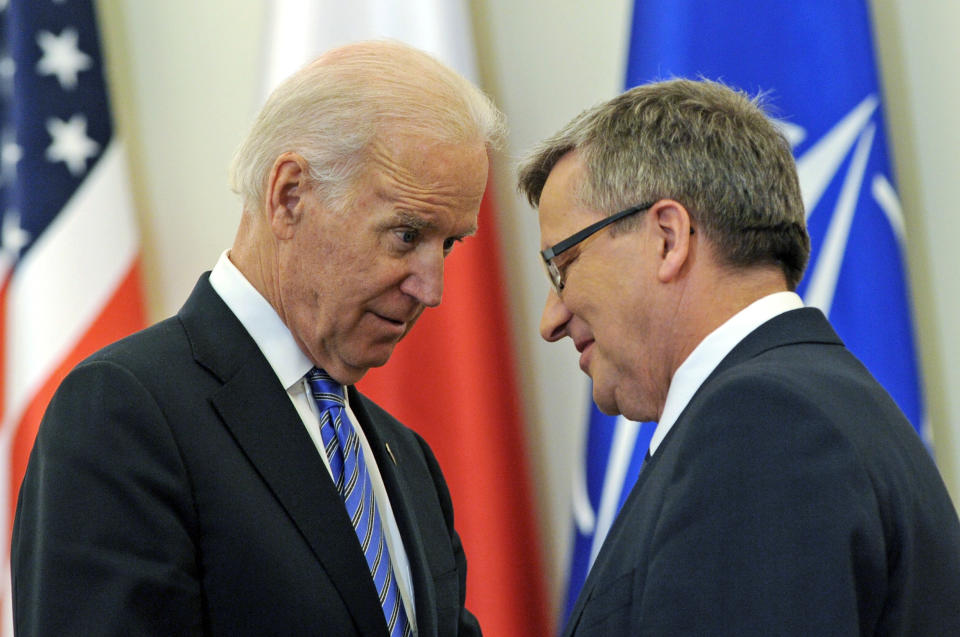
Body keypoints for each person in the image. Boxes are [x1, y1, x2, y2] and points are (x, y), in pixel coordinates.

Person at [12, 40, 504, 636]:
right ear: (290, 195)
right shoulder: (125, 413)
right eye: (406, 235)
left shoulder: (408, 459)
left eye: (448, 244)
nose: (433, 289)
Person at [518, 78, 960, 636]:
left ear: (667, 237)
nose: (549, 319)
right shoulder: (812, 402)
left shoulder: (762, 424)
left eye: (562, 266)